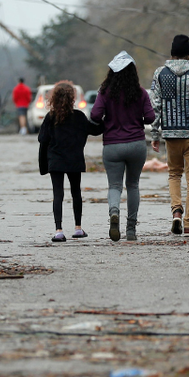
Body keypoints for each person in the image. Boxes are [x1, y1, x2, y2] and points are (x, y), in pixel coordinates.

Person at [150, 34, 189, 235]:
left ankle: (176, 211)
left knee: (174, 174)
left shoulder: (160, 73)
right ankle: (188, 223)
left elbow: (156, 106)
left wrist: (155, 133)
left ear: (172, 53)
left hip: (171, 133)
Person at [90, 51, 155, 242]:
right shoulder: (140, 92)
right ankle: (131, 230)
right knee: (133, 185)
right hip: (136, 144)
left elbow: (94, 115)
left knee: (115, 185)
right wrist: (138, 119)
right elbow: (151, 118)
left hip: (112, 145)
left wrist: (107, 119)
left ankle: (114, 212)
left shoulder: (105, 92)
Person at [38, 81, 102, 242]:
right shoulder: (79, 117)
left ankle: (58, 231)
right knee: (76, 193)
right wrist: (105, 114)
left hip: (55, 160)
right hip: (74, 159)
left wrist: (43, 165)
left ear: (53, 98)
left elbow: (42, 140)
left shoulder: (50, 117)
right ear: (72, 98)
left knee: (58, 194)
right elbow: (96, 130)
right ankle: (78, 228)